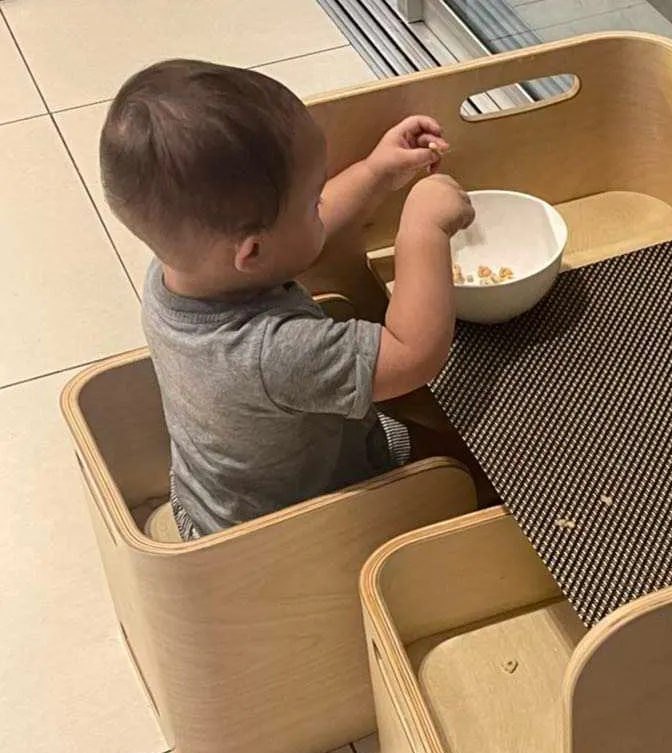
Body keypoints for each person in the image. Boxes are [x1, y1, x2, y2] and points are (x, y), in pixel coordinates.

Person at [99, 58, 478, 539]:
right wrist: (424, 229)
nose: (321, 205)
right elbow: (414, 355)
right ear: (252, 252)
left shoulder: (177, 272)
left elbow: (298, 238)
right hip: (290, 529)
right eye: (313, 198)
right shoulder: (273, 353)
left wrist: (377, 171)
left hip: (214, 500)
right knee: (457, 473)